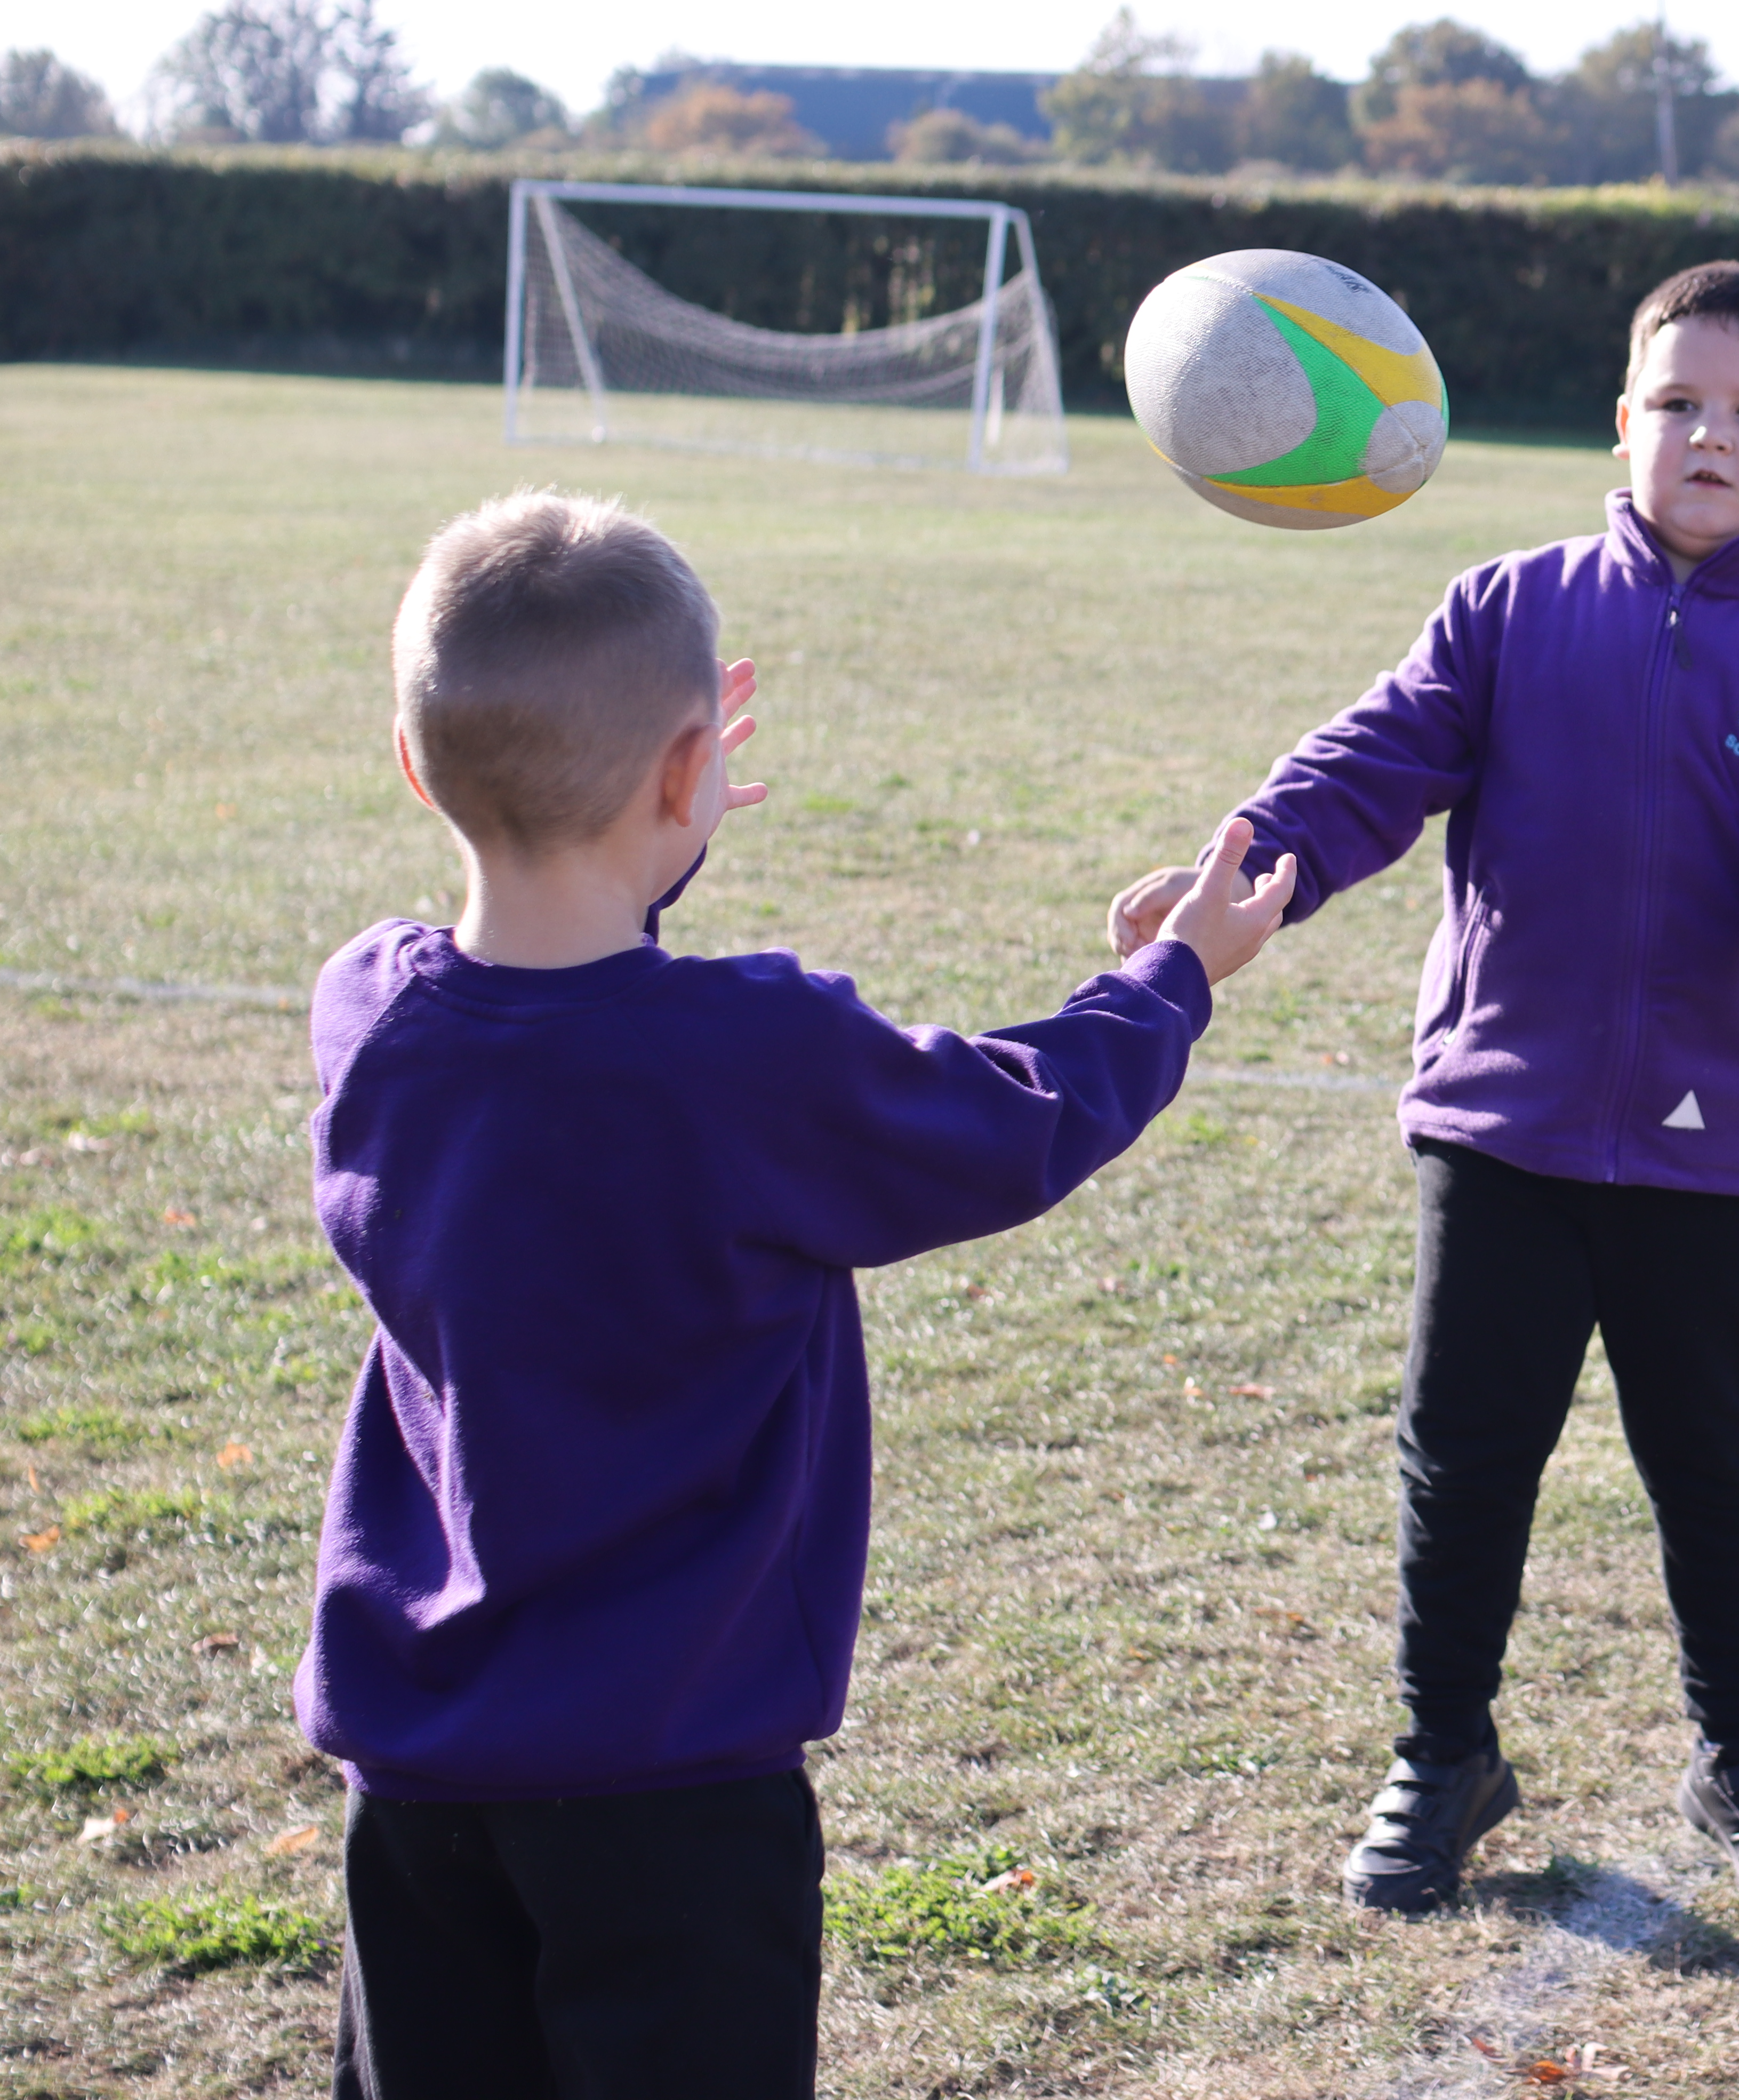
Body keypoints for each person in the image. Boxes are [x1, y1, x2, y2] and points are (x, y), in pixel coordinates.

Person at [304, 493, 1294, 2098]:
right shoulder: (753, 1055)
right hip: (672, 1790)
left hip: (418, 1778)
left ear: (417, 767)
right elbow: (1017, 1115)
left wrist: (643, 819)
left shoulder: (370, 1010)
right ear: (695, 769)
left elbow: (558, 1009)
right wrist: (1169, 975)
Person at [1114, 263, 1739, 1919]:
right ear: (1620, 426)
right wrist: (1252, 857)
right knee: (1464, 1454)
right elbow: (1374, 762)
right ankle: (1442, 1752)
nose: (1713, 435)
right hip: (1505, 1114)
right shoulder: (1507, 608)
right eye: (1679, 404)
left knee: (1715, 1462)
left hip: (1720, 1144)